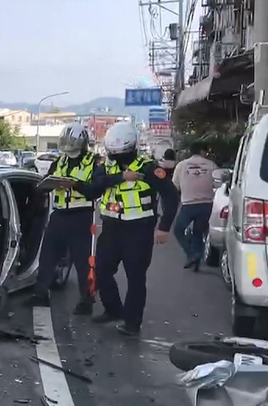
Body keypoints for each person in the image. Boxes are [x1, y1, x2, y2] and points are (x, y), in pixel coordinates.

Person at [90, 121, 180, 336]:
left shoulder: (149, 168)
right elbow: (92, 187)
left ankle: (132, 323)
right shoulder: (107, 168)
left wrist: (164, 227)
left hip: (139, 230)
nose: (117, 158)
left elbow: (171, 195)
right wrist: (120, 177)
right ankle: (113, 310)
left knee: (136, 277)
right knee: (101, 270)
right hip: (111, 227)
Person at [32, 123, 101, 315]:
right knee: (48, 256)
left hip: (81, 215)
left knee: (83, 262)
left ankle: (86, 299)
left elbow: (96, 190)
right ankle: (40, 293)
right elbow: (46, 180)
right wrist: (47, 185)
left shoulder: (94, 162)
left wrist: (74, 185)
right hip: (60, 214)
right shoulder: (59, 161)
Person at [171, 141, 218, 270]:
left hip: (188, 205)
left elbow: (174, 186)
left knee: (178, 230)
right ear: (202, 151)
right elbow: (218, 185)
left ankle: (191, 254)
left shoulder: (181, 166)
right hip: (207, 204)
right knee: (198, 232)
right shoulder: (211, 165)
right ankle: (197, 256)